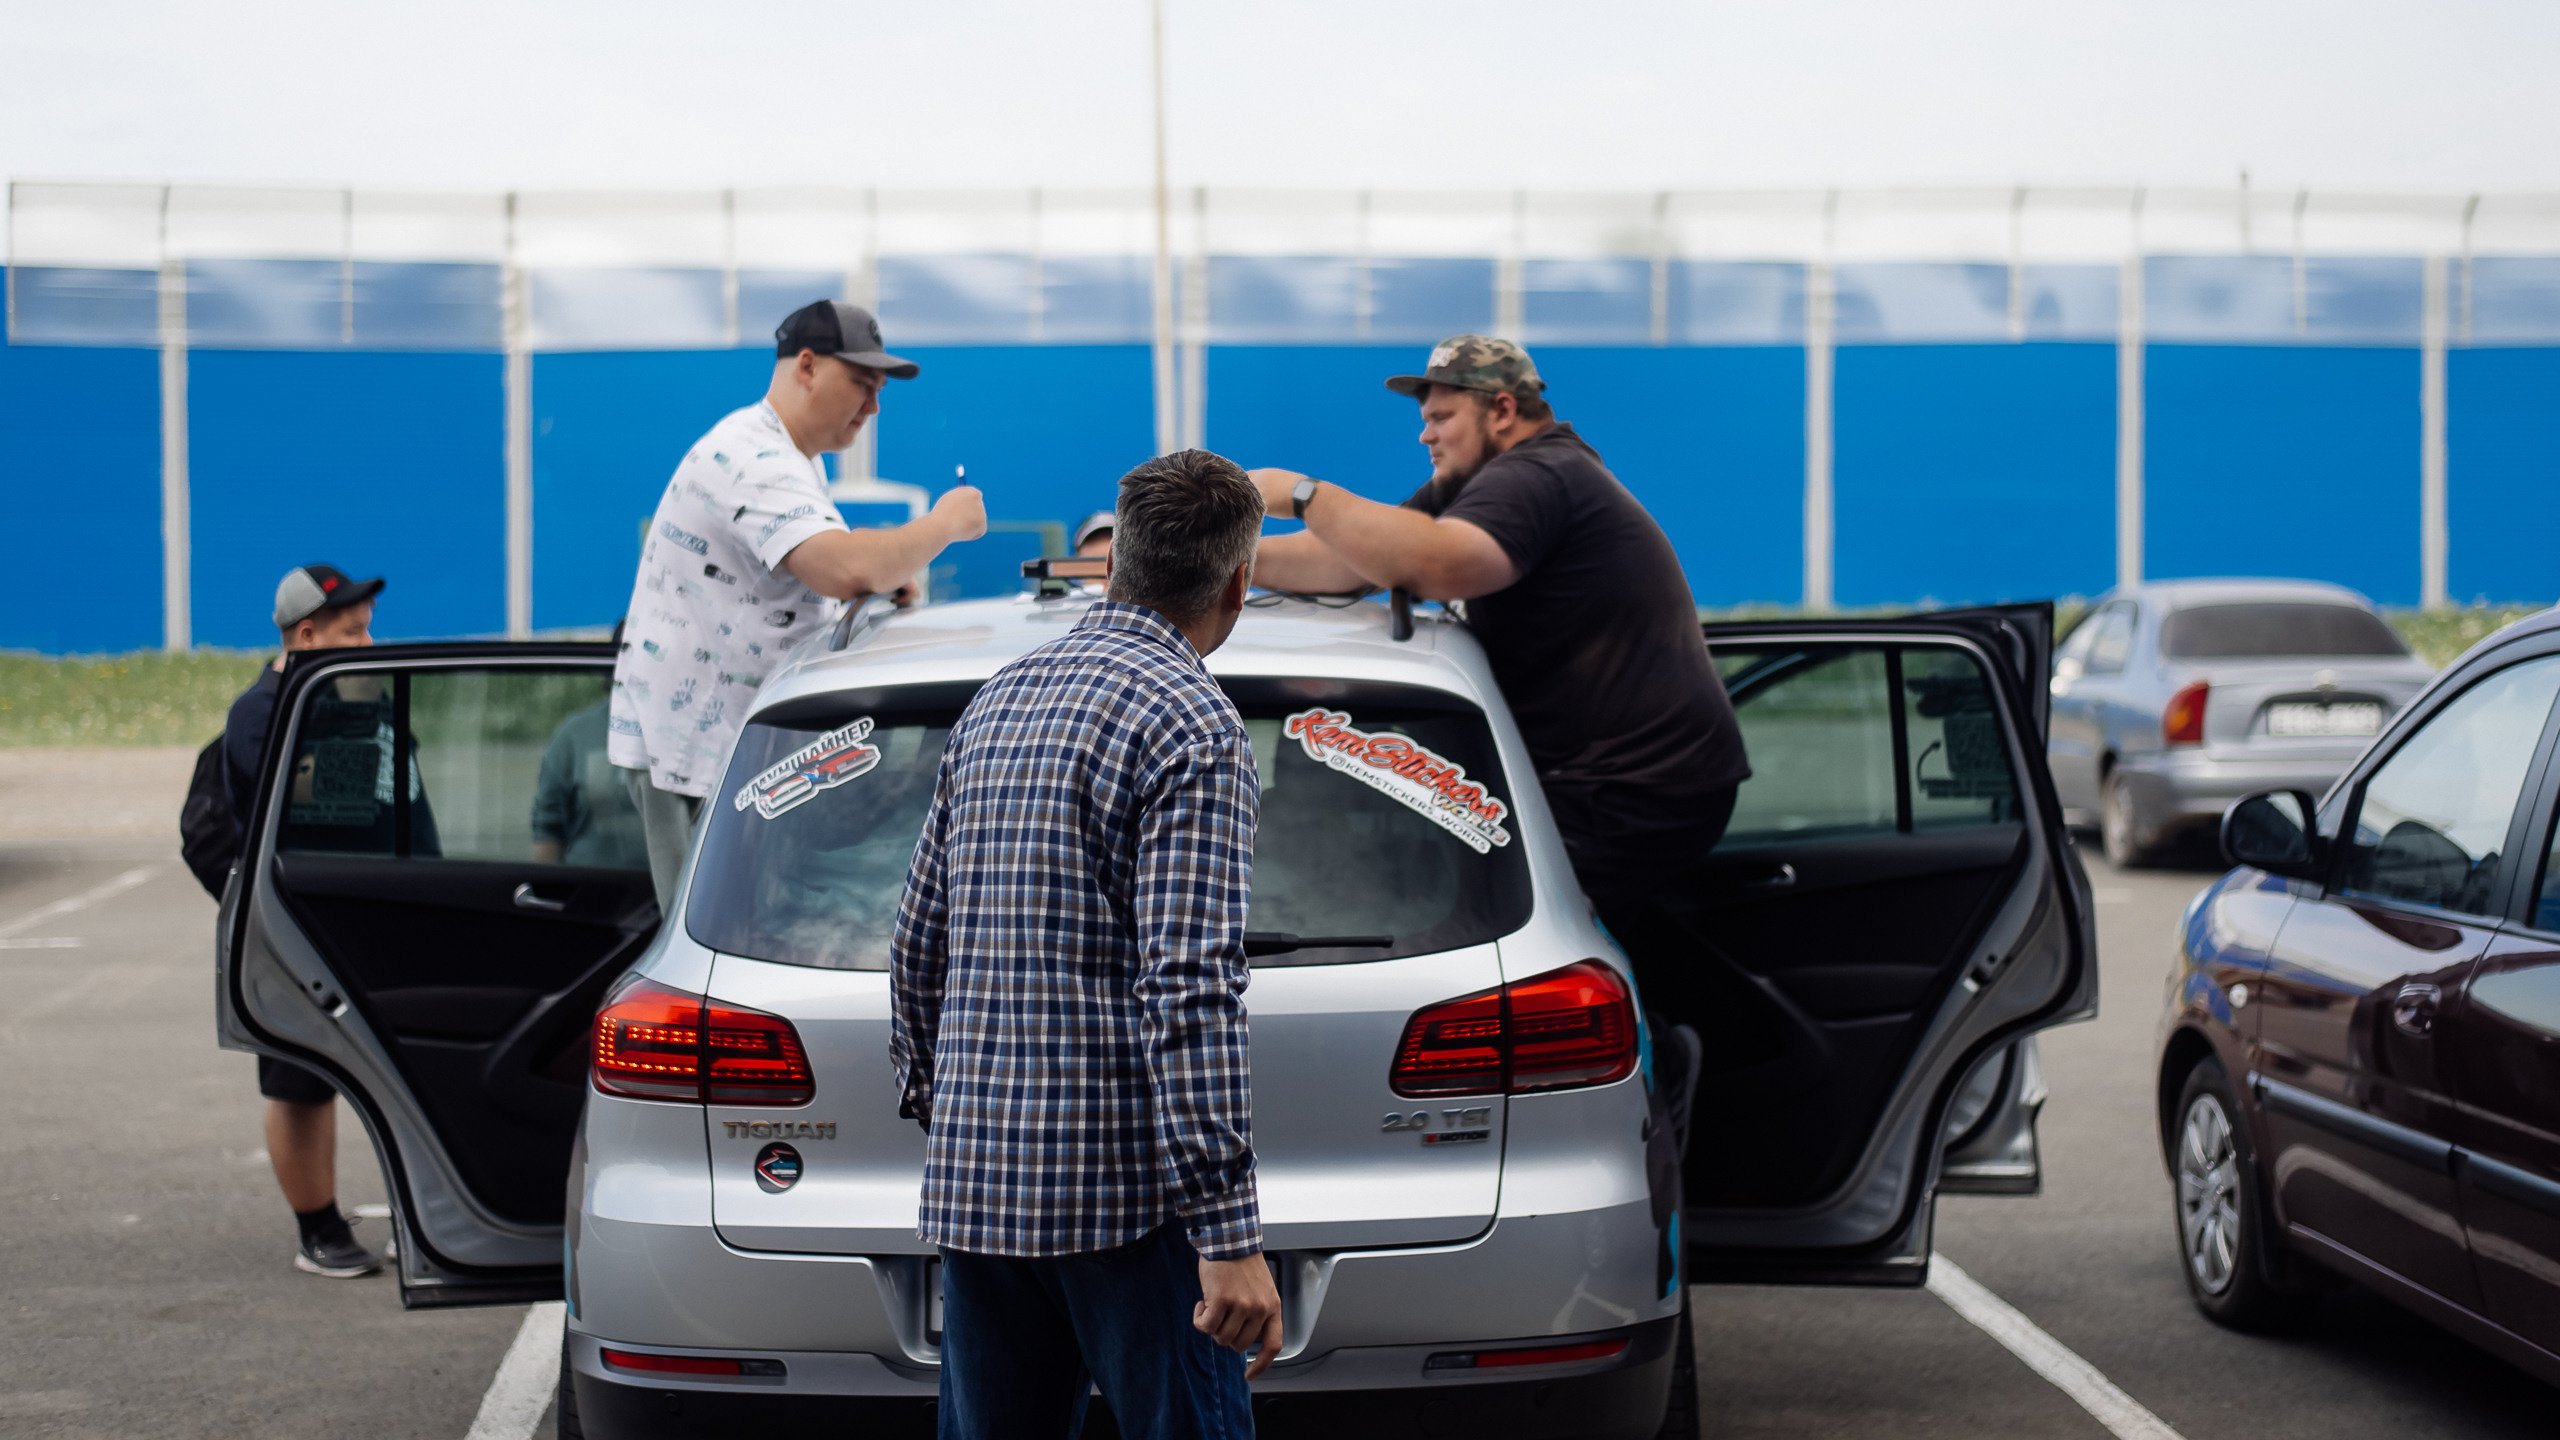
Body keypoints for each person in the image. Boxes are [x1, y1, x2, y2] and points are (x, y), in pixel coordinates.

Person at [1244, 336, 1751, 1135]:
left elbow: (1444, 566)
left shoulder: (1539, 476)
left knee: (1468, 961)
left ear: (1502, 410)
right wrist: (1216, 561)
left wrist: (1302, 491)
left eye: (1441, 415)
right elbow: (1344, 564)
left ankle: (1650, 1086)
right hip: (1612, 780)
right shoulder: (1480, 484)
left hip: (1638, 789)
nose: (1425, 434)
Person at [890, 450, 1281, 1439]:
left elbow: (917, 939)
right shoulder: (1190, 720)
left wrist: (951, 1110)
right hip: (1126, 1205)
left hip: (981, 1189)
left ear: (1115, 561)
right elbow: (1189, 985)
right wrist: (1227, 1232)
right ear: (1239, 582)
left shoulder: (999, 699)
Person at [609, 299, 986, 913]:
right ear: (807, 366)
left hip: (740, 751)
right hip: (698, 755)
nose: (873, 407)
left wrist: (877, 584)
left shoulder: (793, 460)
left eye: (880, 390)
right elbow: (843, 567)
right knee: (716, 966)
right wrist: (944, 523)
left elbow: (825, 577)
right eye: (862, 385)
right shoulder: (750, 457)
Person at [219, 563, 392, 1279]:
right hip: (291, 929)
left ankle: (417, 1212)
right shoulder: (263, 715)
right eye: (354, 633)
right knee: (299, 1082)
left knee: (383, 1077)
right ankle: (316, 1229)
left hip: (354, 916)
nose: (370, 644)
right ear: (309, 634)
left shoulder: (351, 700)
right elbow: (311, 814)